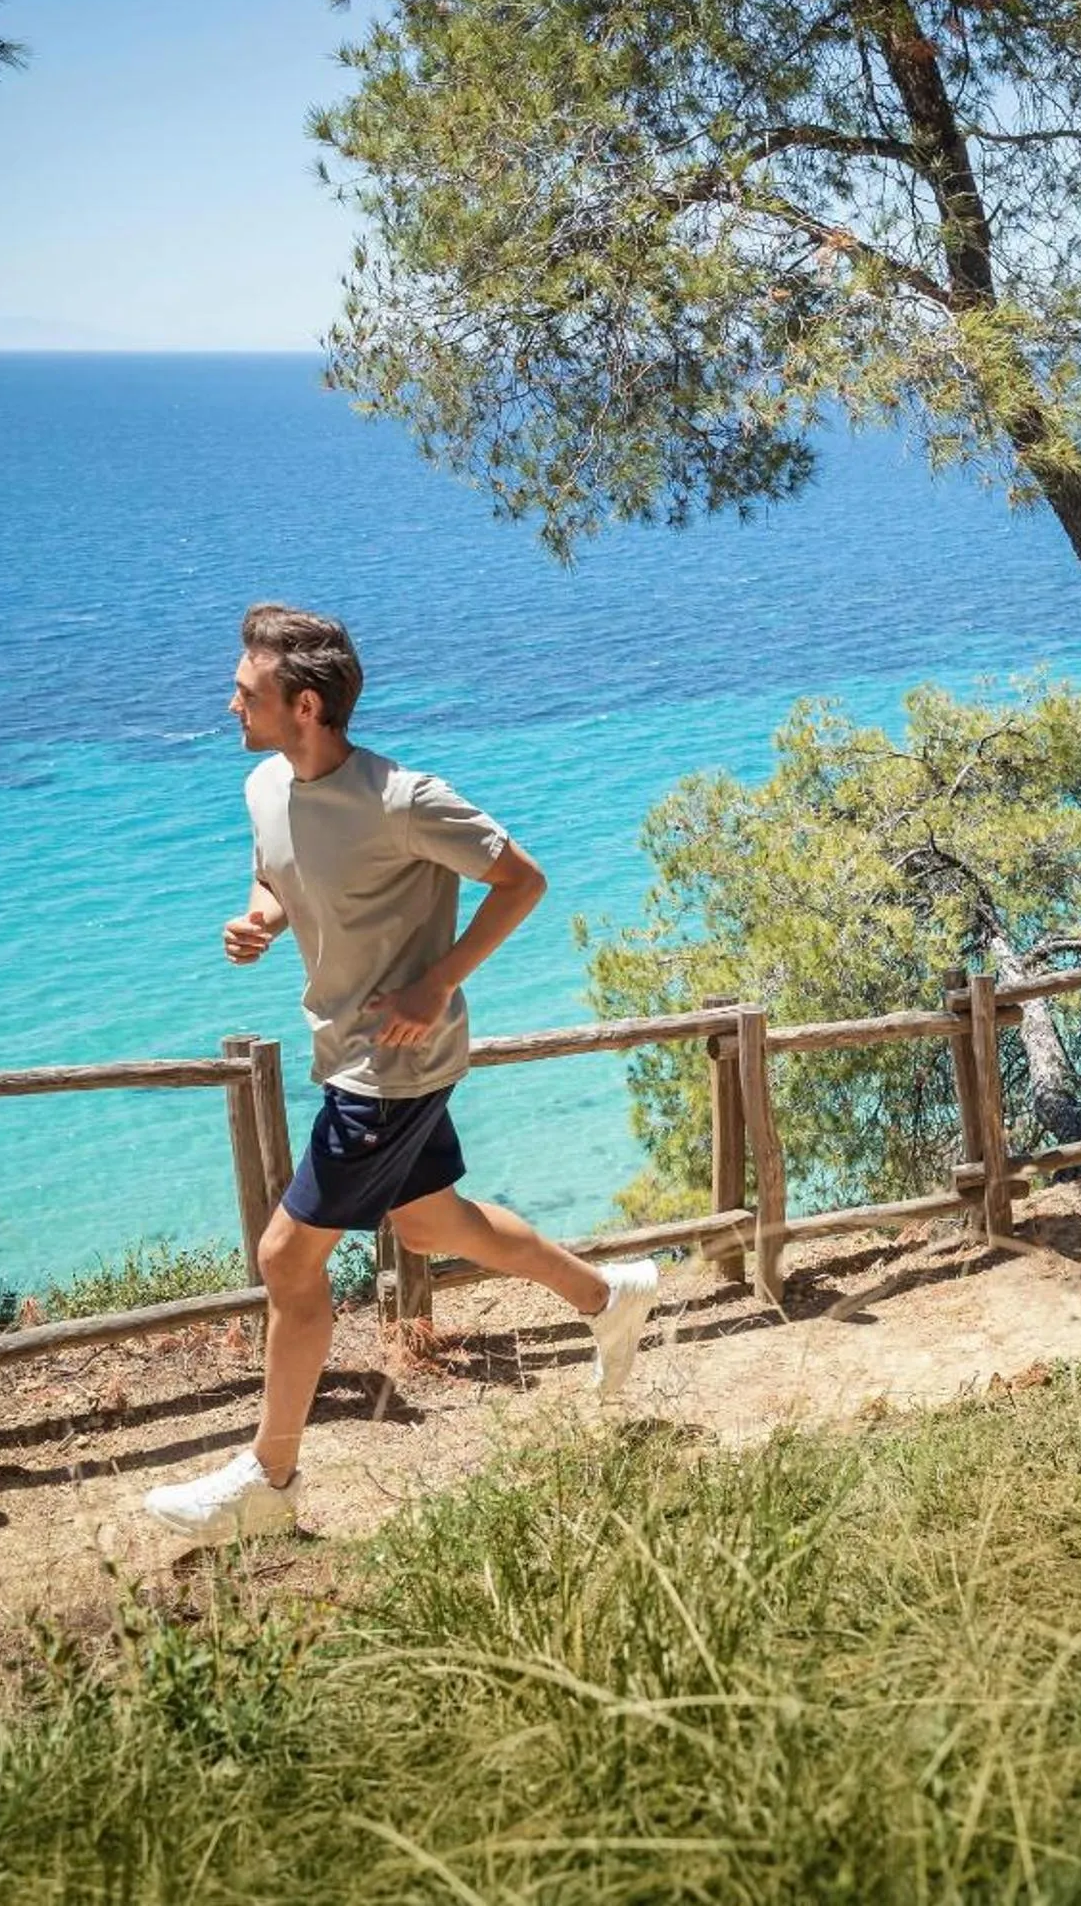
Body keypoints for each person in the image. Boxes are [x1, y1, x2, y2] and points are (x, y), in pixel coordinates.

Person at [144, 604, 661, 1545]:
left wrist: (437, 980)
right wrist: (259, 919)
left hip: (391, 1065)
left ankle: (269, 1481)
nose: (230, 704)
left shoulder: (404, 799)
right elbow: (277, 874)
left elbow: (522, 881)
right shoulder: (266, 785)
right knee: (431, 1223)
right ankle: (607, 1297)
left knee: (285, 1258)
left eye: (246, 691)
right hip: (345, 1048)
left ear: (305, 705)